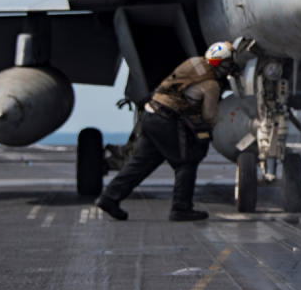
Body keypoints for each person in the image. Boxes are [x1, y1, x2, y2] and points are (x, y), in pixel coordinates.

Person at [95, 41, 238, 222]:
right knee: (186, 161)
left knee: (140, 164)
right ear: (221, 64)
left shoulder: (194, 62)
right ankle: (181, 208)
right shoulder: (211, 85)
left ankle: (109, 198)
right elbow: (209, 115)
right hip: (166, 121)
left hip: (149, 114)